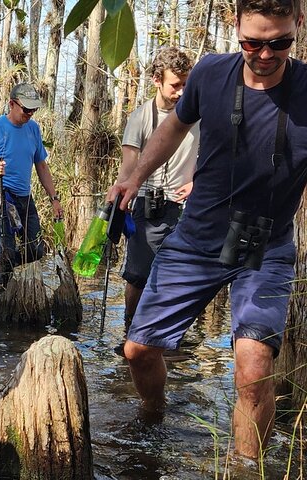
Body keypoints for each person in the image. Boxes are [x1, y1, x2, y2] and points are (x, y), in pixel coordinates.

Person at [109, 0, 306, 460]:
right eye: (252, 42)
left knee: (254, 366)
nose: (264, 54)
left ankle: (244, 467)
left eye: (279, 42)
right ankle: (154, 412)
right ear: (234, 26)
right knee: (137, 350)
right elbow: (174, 128)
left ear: (299, 24)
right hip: (197, 235)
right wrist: (134, 176)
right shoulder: (210, 75)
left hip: (265, 245)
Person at [116, 47, 199, 328]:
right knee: (138, 275)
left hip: (185, 208)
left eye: (186, 84)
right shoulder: (140, 117)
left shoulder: (198, 116)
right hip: (147, 205)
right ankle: (131, 328)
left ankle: (168, 336)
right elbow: (128, 164)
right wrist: (121, 192)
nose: (181, 92)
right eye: (176, 85)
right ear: (156, 80)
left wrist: (195, 181)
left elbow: (218, 153)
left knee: (178, 276)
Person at [0, 83, 63, 283]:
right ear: (12, 104)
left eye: (33, 109)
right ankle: (0, 295)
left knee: (36, 249)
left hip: (24, 196)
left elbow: (42, 166)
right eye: (26, 109)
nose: (30, 114)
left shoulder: (34, 129)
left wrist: (54, 199)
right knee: (7, 251)